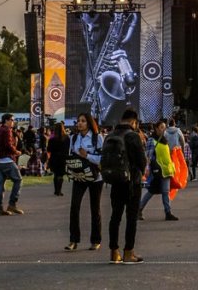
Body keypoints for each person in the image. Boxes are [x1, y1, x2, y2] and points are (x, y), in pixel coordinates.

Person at [107, 108, 149, 265]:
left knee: (115, 216)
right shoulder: (133, 135)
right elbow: (142, 161)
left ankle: (114, 252)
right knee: (131, 218)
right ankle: (128, 252)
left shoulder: (111, 135)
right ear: (134, 121)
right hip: (132, 182)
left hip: (115, 181)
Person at [66, 113, 104, 251]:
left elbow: (102, 158)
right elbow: (71, 154)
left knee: (95, 209)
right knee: (74, 207)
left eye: (83, 121)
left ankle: (96, 240)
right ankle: (73, 240)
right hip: (79, 176)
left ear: (89, 123)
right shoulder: (74, 138)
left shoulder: (97, 137)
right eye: (78, 121)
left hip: (95, 177)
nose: (79, 123)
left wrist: (87, 155)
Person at [139, 120, 178, 221]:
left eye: (164, 128)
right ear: (156, 128)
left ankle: (168, 213)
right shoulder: (152, 140)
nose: (164, 130)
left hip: (166, 170)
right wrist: (147, 169)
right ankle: (139, 209)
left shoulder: (165, 140)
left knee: (165, 191)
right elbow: (148, 156)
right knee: (151, 191)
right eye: (161, 127)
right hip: (157, 171)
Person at [0, 113, 24, 215]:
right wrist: (16, 152)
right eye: (11, 120)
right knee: (18, 179)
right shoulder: (7, 130)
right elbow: (8, 145)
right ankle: (12, 204)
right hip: (7, 160)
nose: (13, 122)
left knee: (0, 185)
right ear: (6, 120)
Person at [47, 122, 69, 197]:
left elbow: (49, 149)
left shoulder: (52, 139)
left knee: (56, 174)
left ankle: (56, 190)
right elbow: (68, 149)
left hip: (54, 158)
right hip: (62, 158)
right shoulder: (66, 138)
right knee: (61, 175)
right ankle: (59, 190)